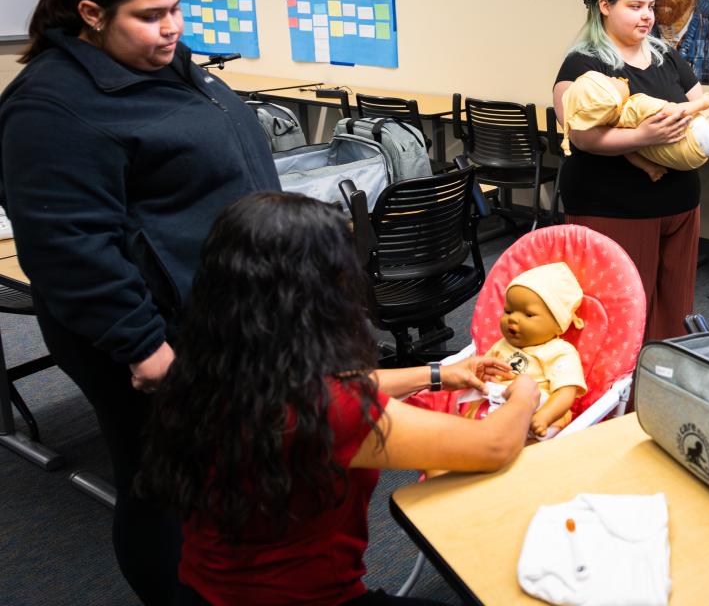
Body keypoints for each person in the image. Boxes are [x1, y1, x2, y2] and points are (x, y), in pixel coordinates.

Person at [0, 0, 281, 604]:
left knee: (219, 466)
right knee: (161, 483)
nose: (173, 26)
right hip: (146, 330)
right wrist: (143, 344)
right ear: (92, 13)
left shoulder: (168, 65)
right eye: (150, 15)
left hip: (214, 308)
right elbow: (68, 247)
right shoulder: (52, 106)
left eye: (176, 8)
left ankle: (231, 577)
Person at [137, 192, 539, 605]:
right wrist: (525, 391)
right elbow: (493, 445)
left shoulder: (204, 367)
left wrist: (438, 375)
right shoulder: (332, 410)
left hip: (200, 591)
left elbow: (331, 383)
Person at [554, 0, 709, 343]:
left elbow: (700, 105)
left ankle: (661, 386)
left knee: (676, 310)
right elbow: (581, 137)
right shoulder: (582, 64)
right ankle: (615, 398)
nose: (646, 16)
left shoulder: (666, 56)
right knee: (618, 312)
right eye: (635, 6)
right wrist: (643, 136)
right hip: (614, 207)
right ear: (605, 7)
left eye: (650, 6)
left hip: (679, 204)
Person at [459, 262, 588, 439]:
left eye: (528, 314)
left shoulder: (560, 352)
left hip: (537, 413)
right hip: (495, 406)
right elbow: (482, 371)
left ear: (558, 324)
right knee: (465, 425)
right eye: (509, 311)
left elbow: (566, 392)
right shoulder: (502, 345)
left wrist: (545, 417)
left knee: (533, 448)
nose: (513, 319)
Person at [560, 71, 709, 181]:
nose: (615, 77)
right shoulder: (636, 105)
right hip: (690, 143)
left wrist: (650, 168)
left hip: (681, 158)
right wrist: (701, 103)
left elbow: (630, 153)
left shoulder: (617, 126)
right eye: (610, 80)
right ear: (611, 99)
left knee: (705, 120)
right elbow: (675, 110)